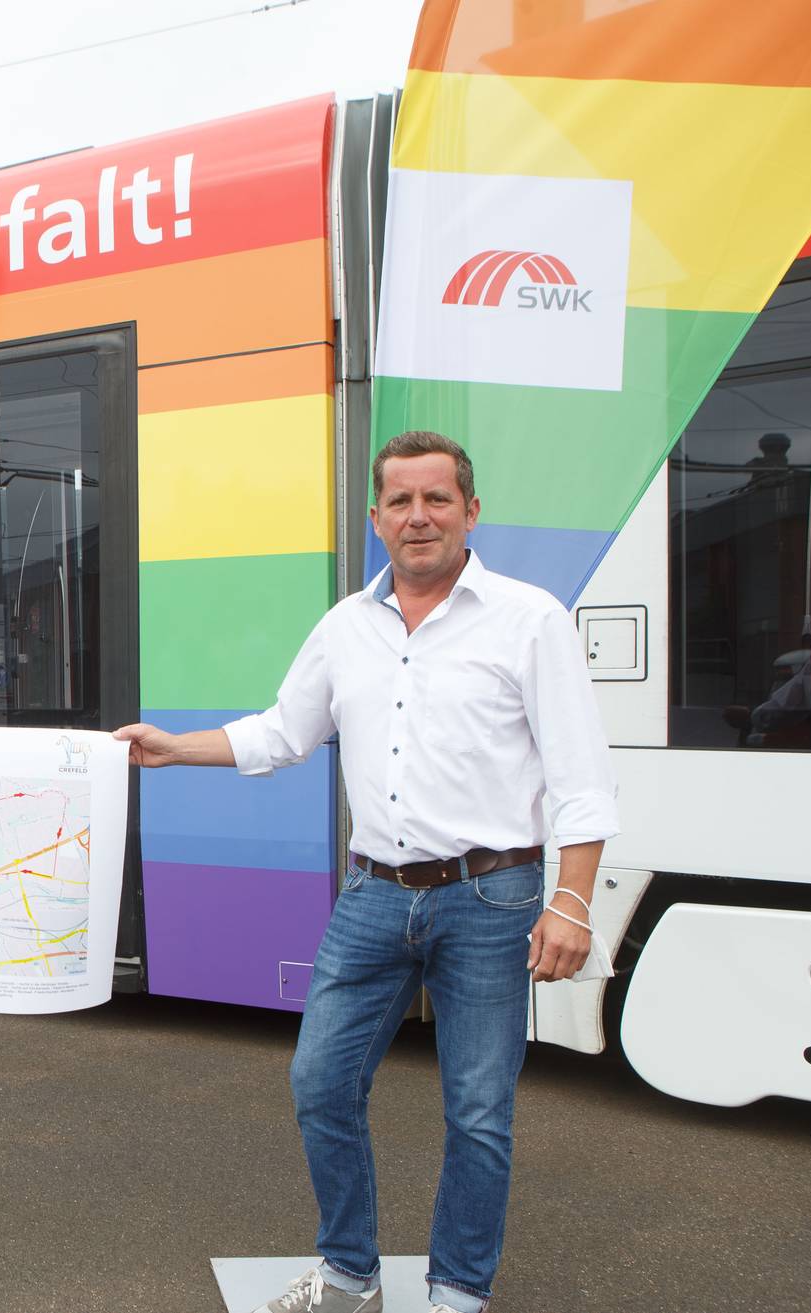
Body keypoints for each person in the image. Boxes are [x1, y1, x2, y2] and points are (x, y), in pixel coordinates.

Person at [115, 432, 617, 1313]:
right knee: (320, 1080)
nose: (418, 516)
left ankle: (459, 1291)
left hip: (492, 897)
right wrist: (172, 749)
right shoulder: (346, 625)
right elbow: (283, 731)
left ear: (470, 509)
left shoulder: (528, 618)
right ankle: (351, 1271)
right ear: (377, 518)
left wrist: (571, 903)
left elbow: (581, 779)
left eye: (436, 498)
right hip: (373, 895)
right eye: (400, 501)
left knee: (478, 1111)